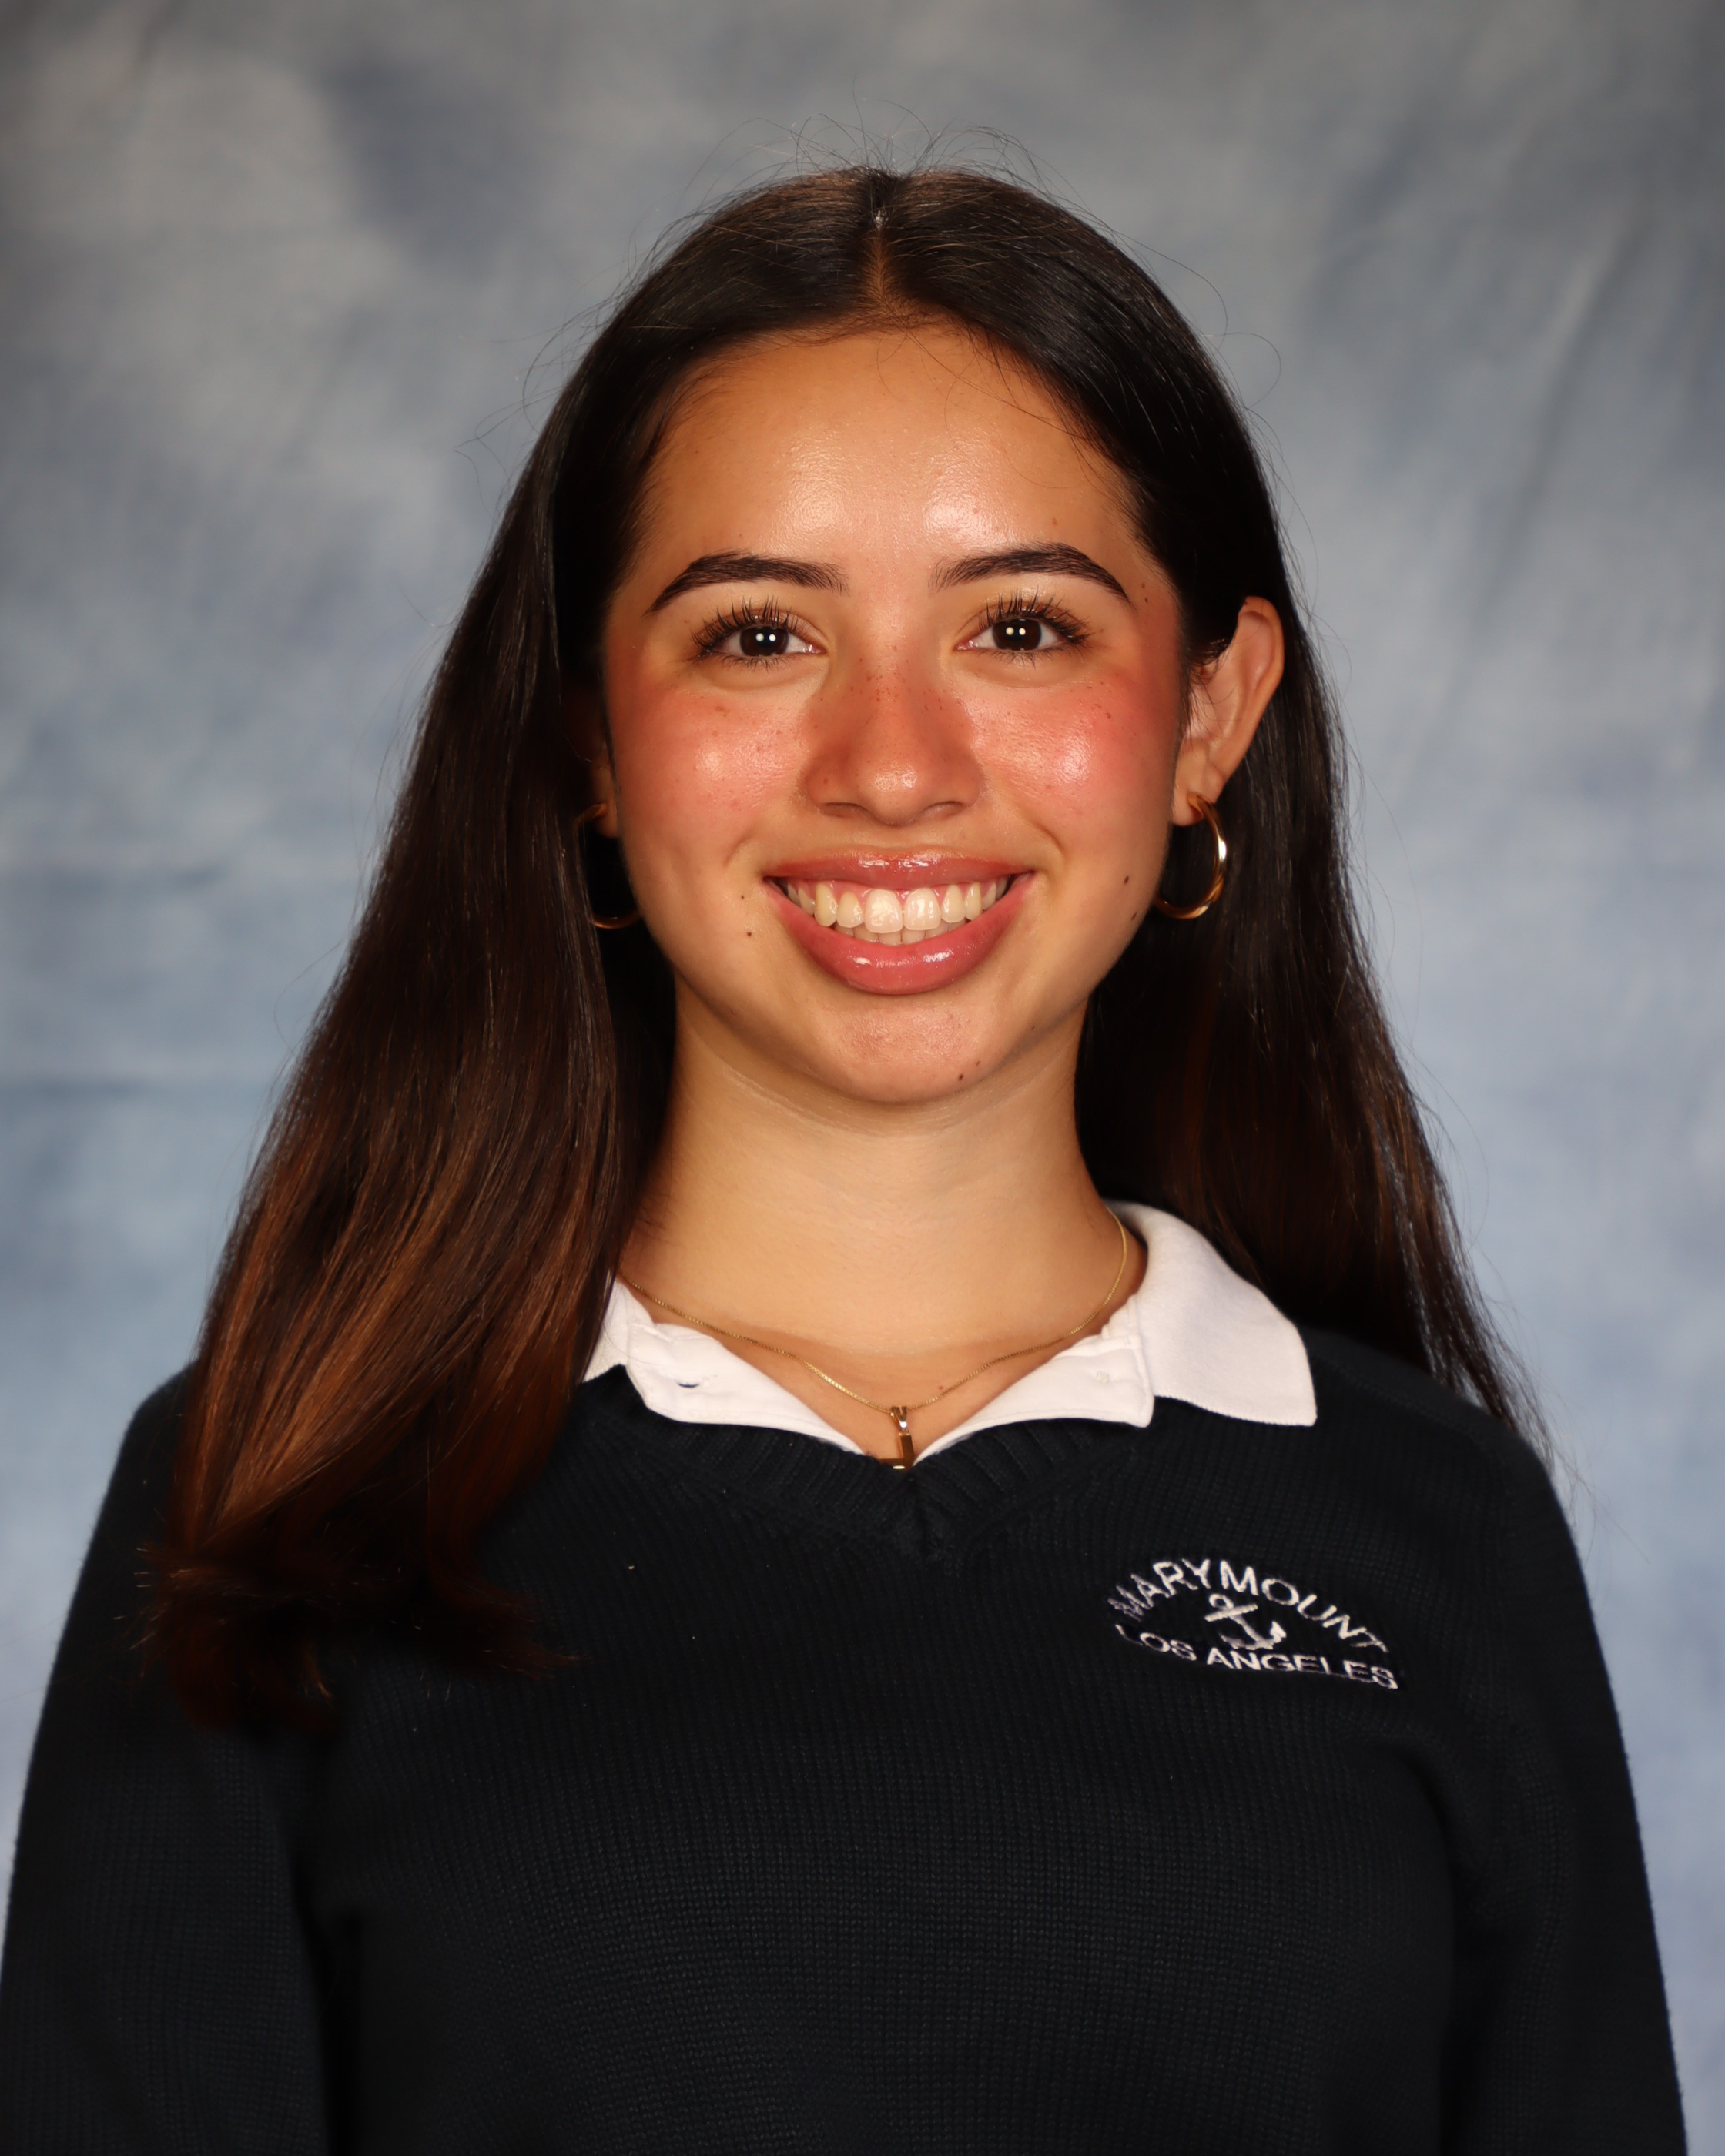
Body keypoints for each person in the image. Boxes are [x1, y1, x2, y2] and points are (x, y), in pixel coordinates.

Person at [0, 163, 1685, 2153]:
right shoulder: (278, 1491)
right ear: (591, 740)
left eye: (1023, 628)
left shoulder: (1441, 1528)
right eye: (760, 634)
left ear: (1210, 715)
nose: (892, 768)